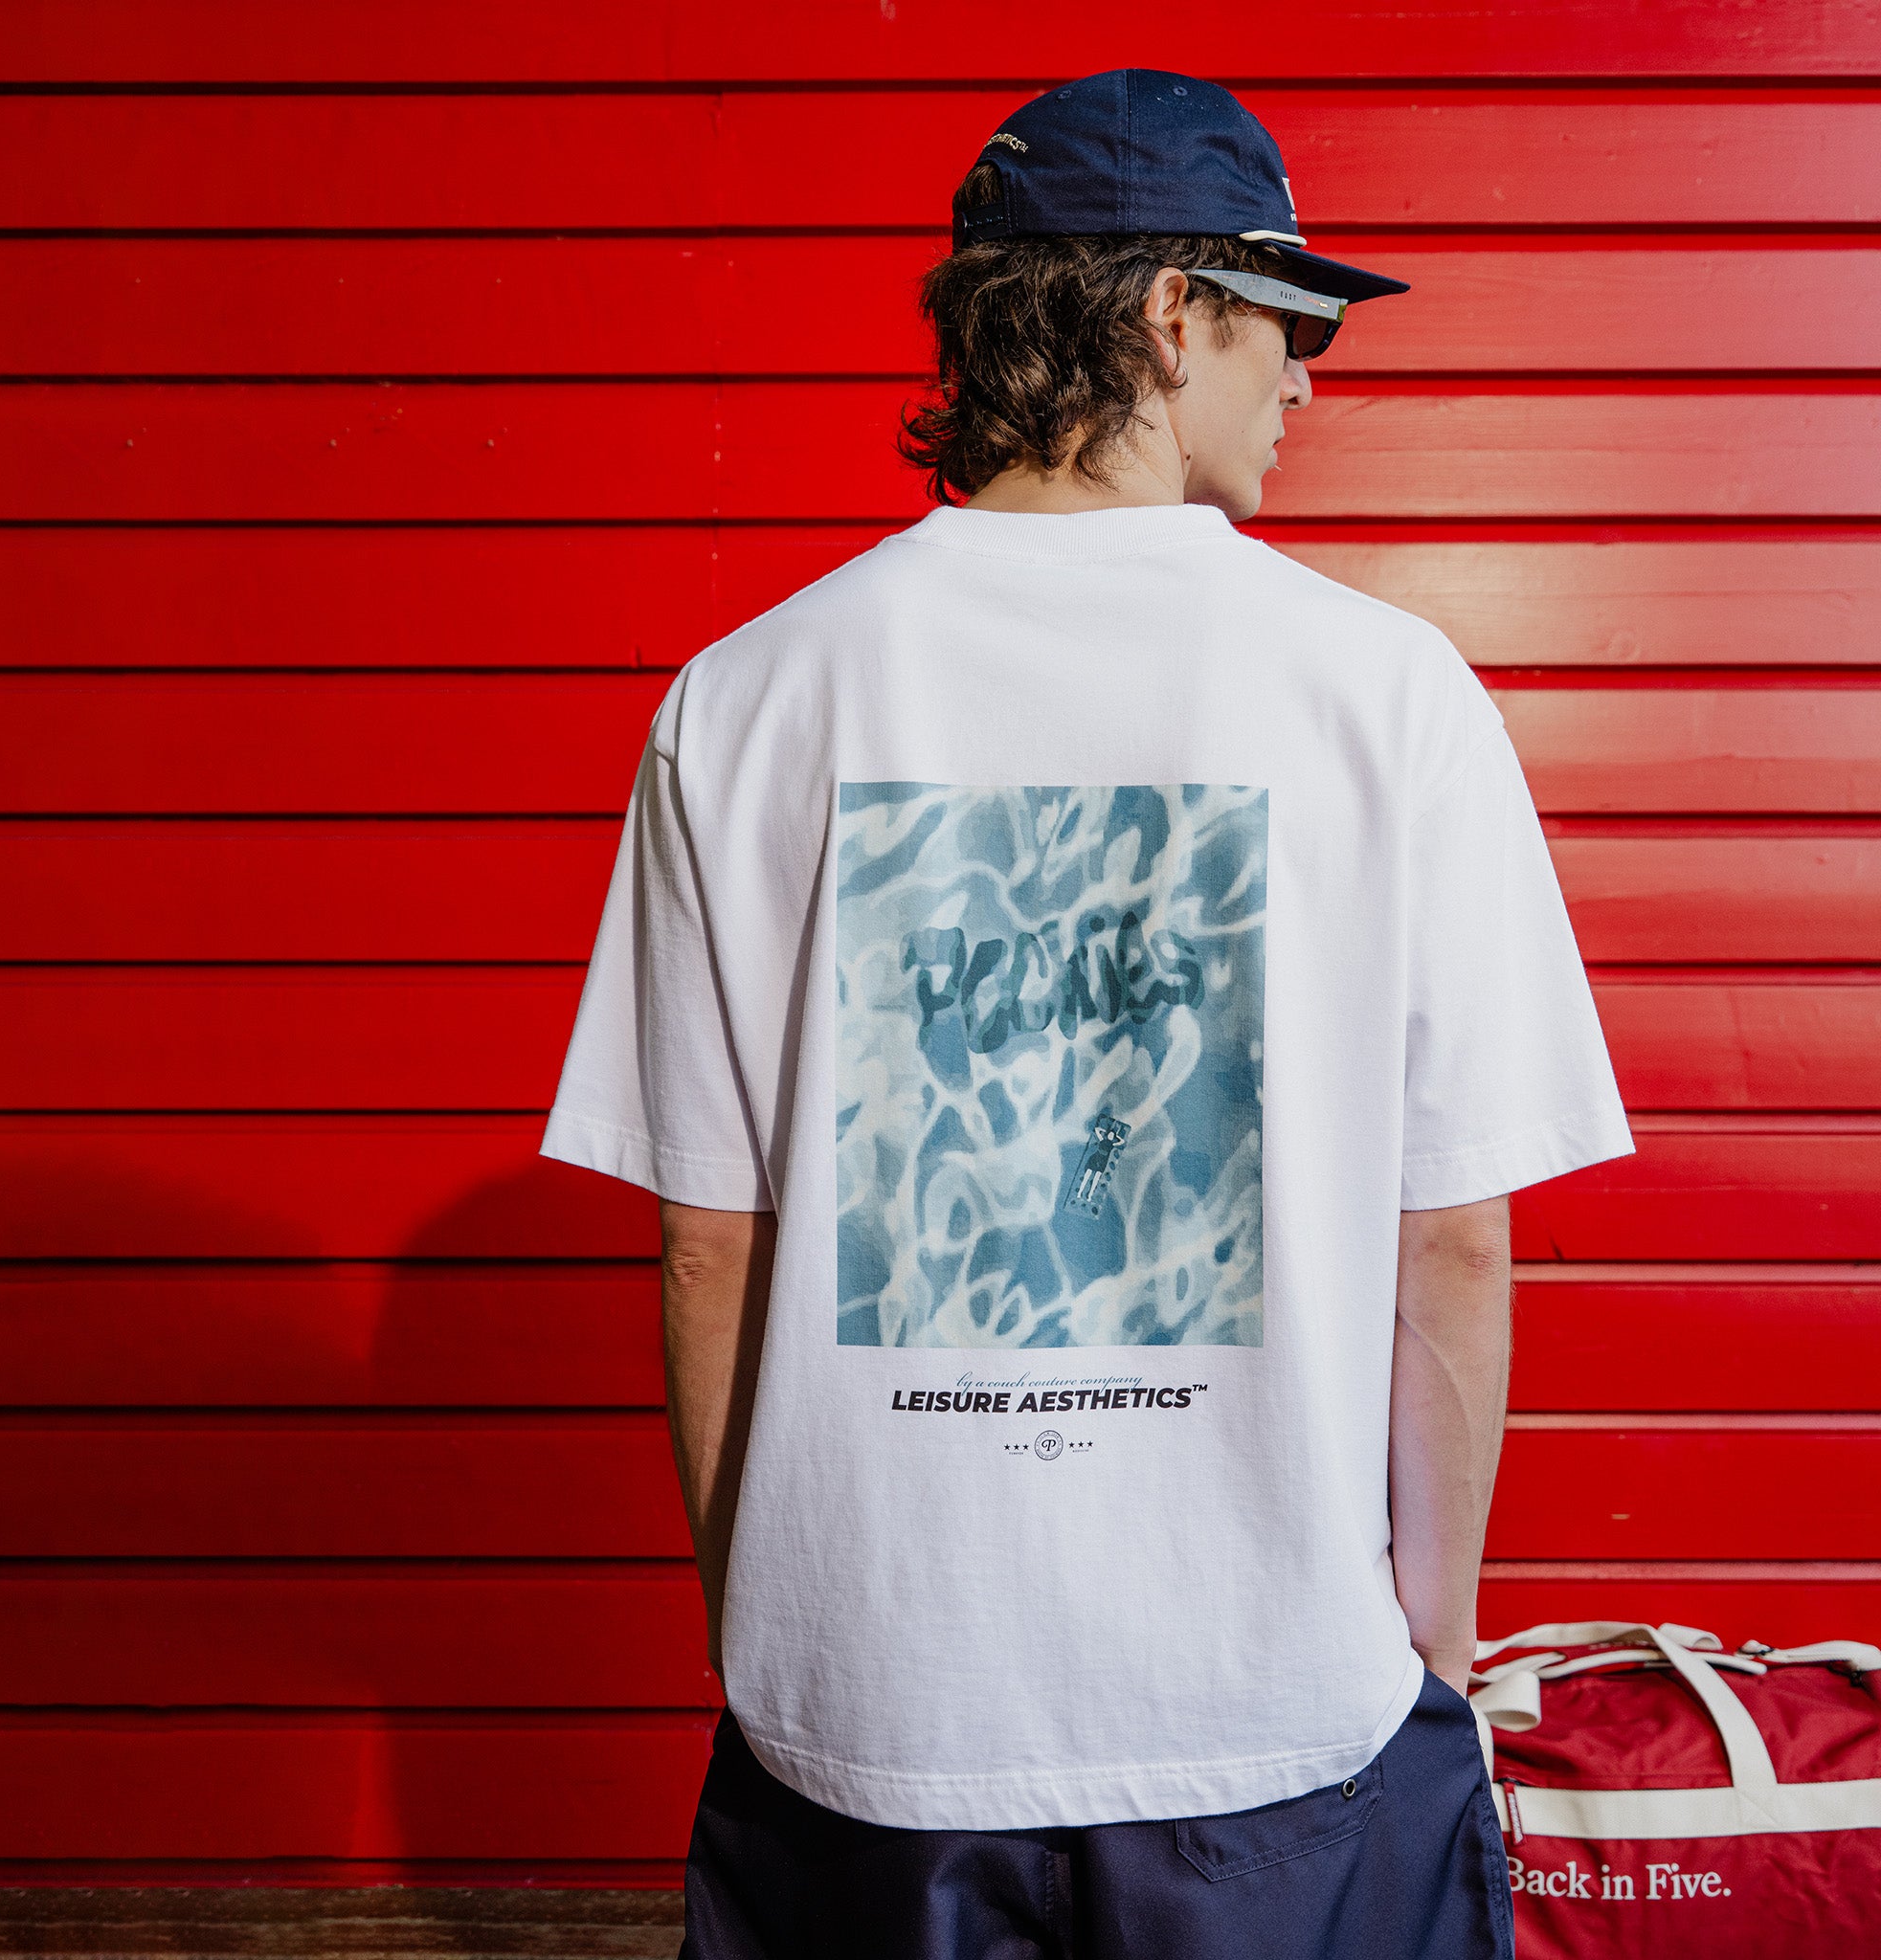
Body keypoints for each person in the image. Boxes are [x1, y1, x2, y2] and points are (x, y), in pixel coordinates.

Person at [543, 69, 1631, 1959]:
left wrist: (779, 1638)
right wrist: (1432, 1638)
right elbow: (1452, 1239)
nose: (1307, 383)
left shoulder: (745, 695)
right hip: (1272, 1719)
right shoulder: (1389, 694)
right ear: (1170, 314)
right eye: (1291, 322)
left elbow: (711, 1247)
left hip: (875, 1724)